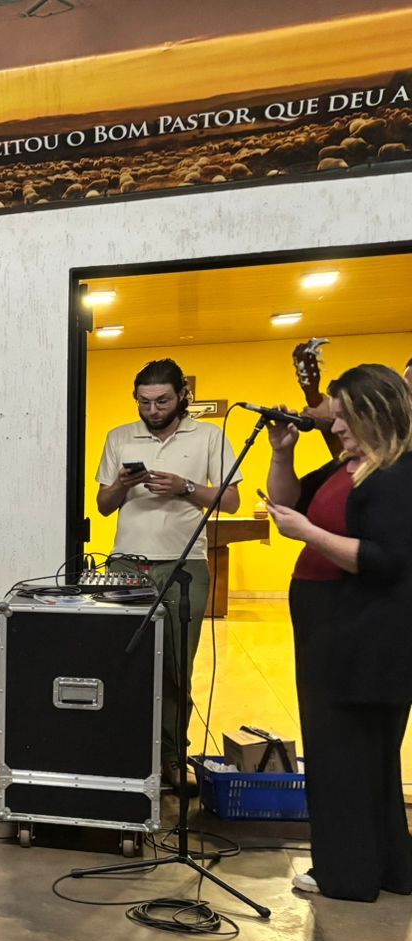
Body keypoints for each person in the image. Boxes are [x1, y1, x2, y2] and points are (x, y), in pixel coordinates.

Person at [266, 363, 412, 902]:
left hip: (361, 632)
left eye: (345, 416)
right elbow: (285, 502)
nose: (337, 425)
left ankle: (346, 874)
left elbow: (385, 559)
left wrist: (309, 534)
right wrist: (282, 454)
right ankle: (386, 866)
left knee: (343, 757)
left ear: (377, 413)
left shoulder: (395, 475)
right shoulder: (349, 466)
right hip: (332, 626)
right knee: (356, 757)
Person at [95, 359, 240, 779]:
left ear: (182, 397)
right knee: (124, 661)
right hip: (127, 562)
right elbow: (103, 506)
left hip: (184, 564)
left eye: (162, 401)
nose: (153, 410)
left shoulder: (210, 436)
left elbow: (230, 502)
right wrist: (122, 484)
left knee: (176, 667)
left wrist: (184, 487)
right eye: (144, 402)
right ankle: (125, 751)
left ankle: (173, 756)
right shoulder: (119, 437)